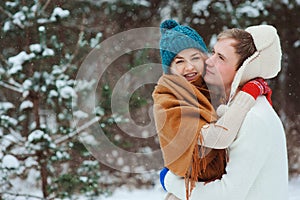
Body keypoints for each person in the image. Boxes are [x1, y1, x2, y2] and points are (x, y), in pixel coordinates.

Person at [161, 24, 289, 200]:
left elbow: (226, 194)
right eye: (213, 52)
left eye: (220, 57)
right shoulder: (233, 109)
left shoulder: (254, 118)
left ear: (245, 67)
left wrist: (169, 180)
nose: (208, 61)